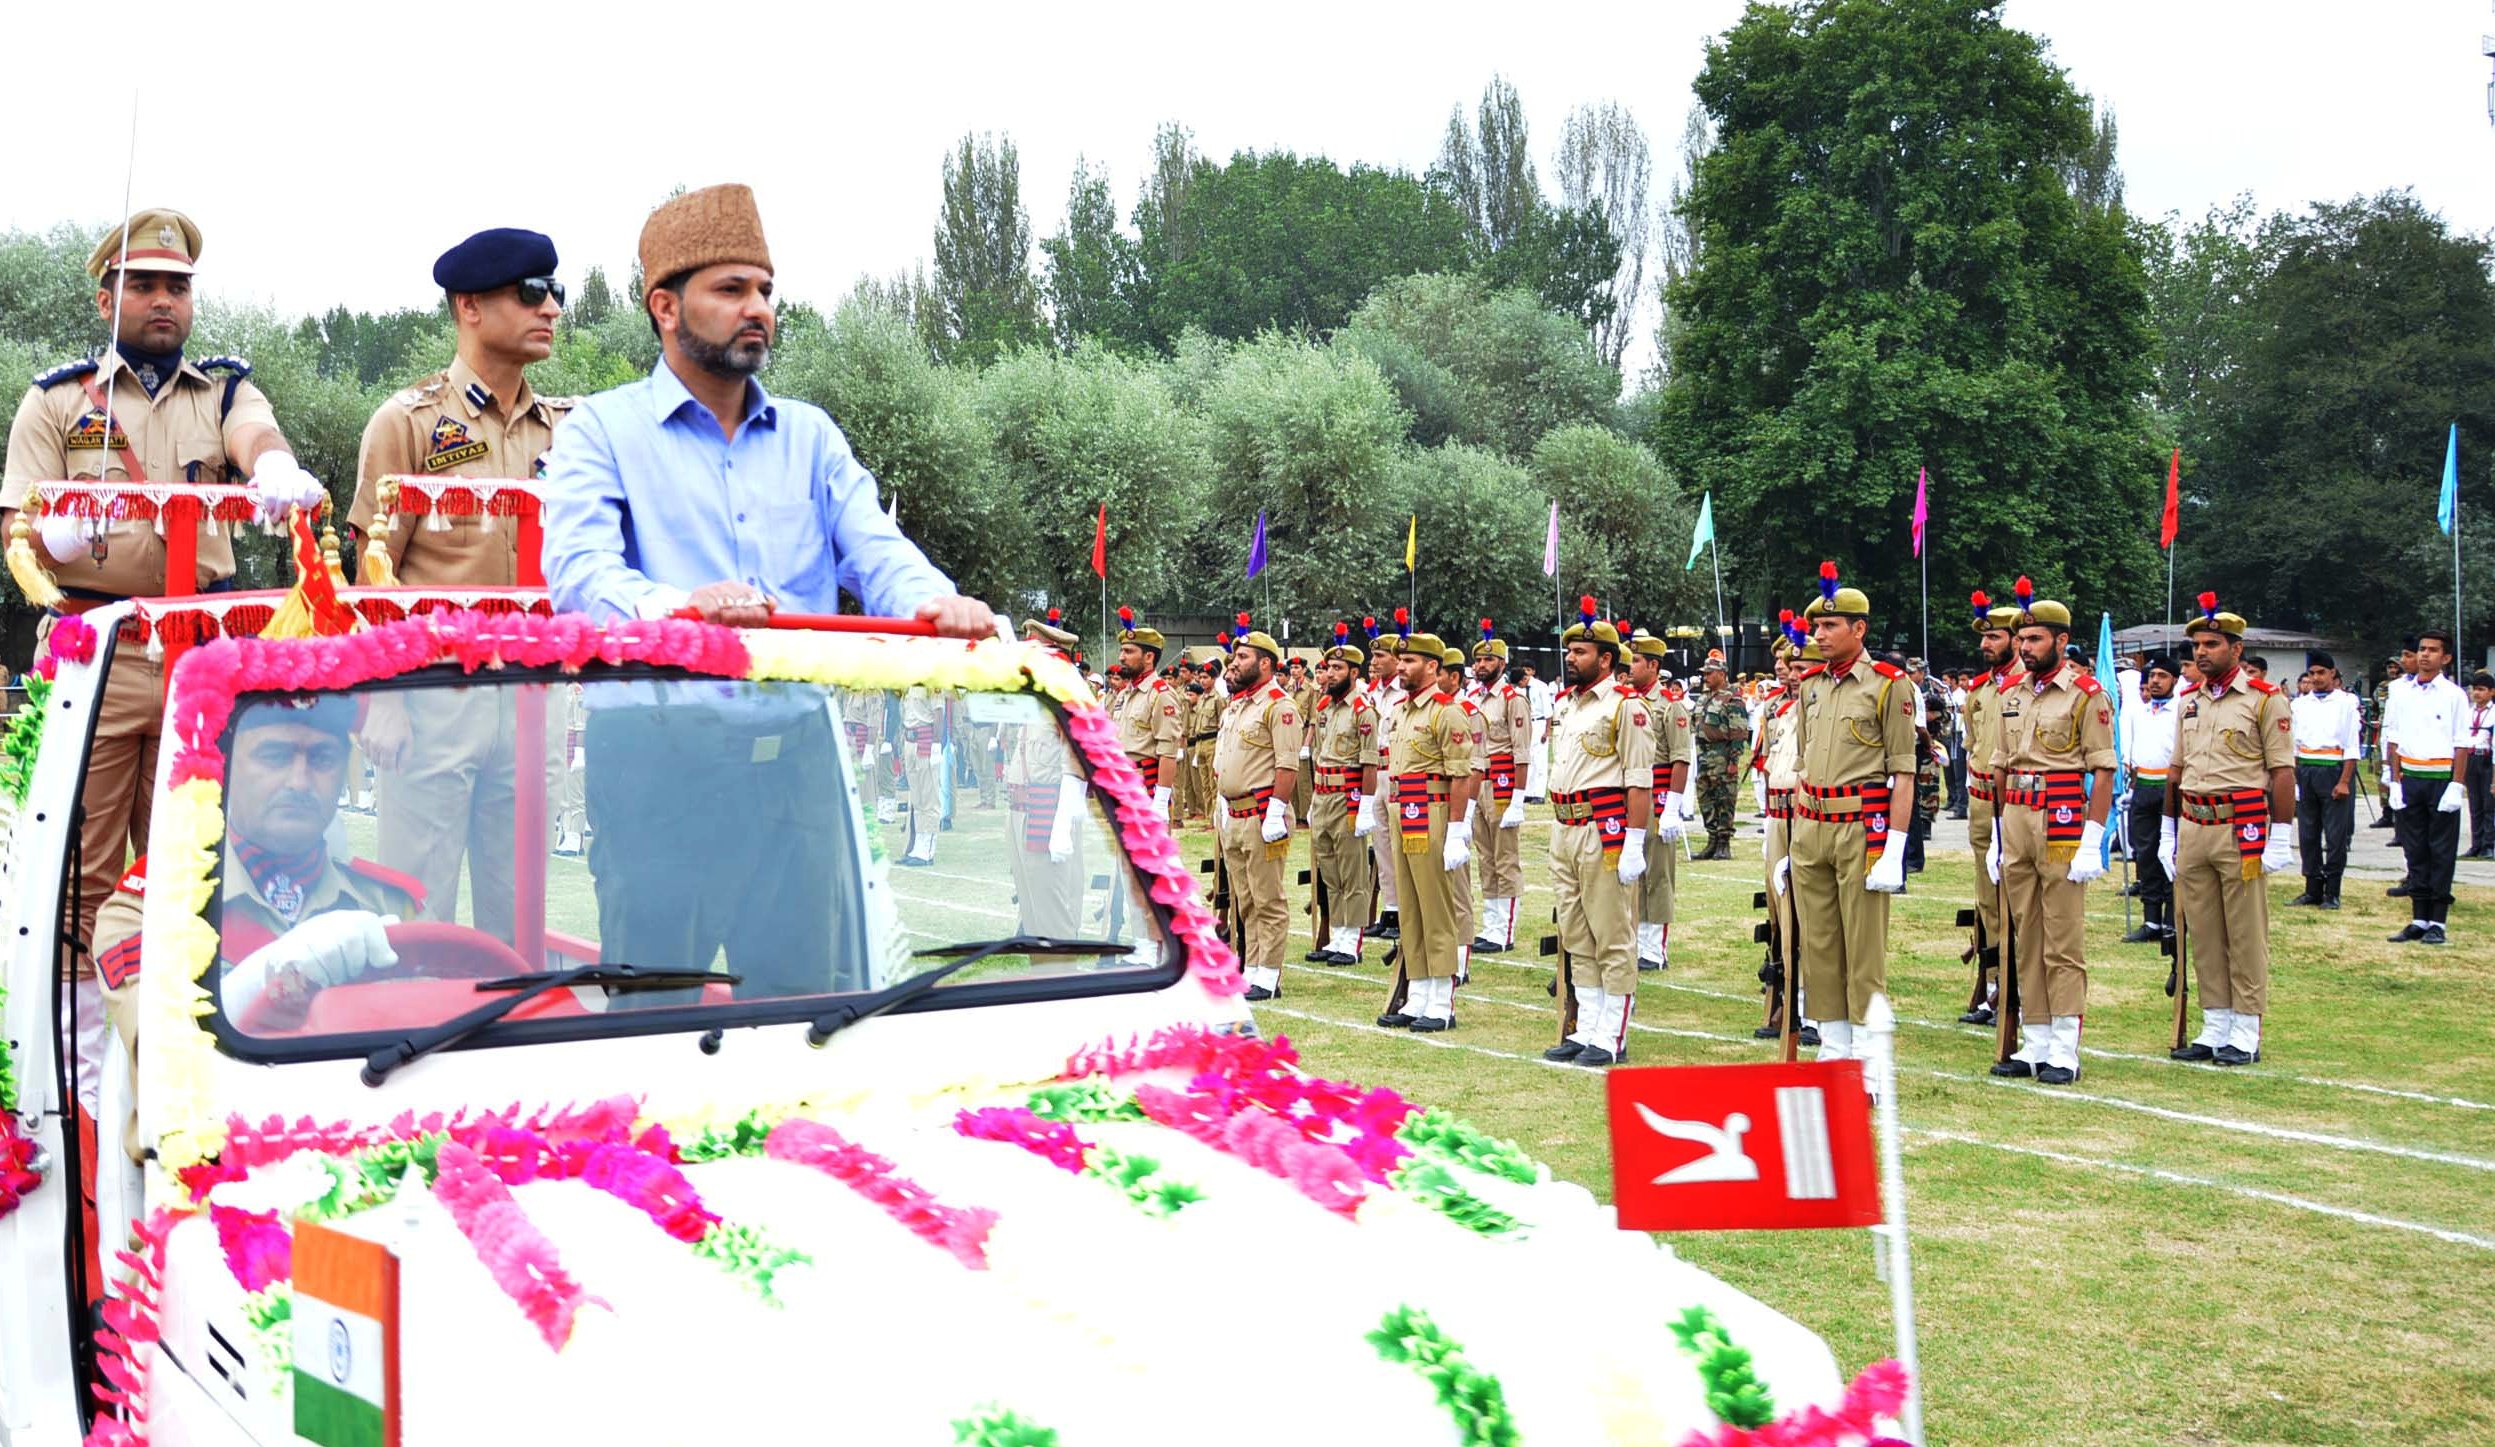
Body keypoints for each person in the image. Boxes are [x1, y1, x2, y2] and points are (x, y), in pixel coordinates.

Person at [2, 206, 324, 1112]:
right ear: (106, 295)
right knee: (84, 870)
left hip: (196, 655)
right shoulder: (58, 400)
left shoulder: (222, 392)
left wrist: (271, 468)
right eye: (142, 284)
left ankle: (186, 1057)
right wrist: (52, 532)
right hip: (96, 654)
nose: (160, 301)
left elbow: (257, 436)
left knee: (192, 863)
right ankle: (84, 1073)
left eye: (176, 286)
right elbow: (14, 529)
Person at [541, 184, 990, 636]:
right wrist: (682, 609)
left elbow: (878, 551)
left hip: (800, 707)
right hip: (659, 706)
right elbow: (580, 575)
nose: (757, 309)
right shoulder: (601, 430)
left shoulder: (810, 436)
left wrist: (936, 602)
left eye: (765, 292)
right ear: (666, 308)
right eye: (731, 290)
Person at [349, 227, 575, 941]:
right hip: (434, 698)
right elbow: (372, 577)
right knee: (417, 918)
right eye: (531, 293)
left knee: (521, 923)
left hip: (535, 697)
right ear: (469, 306)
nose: (552, 309)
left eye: (555, 292)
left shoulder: (567, 431)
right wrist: (382, 700)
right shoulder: (409, 422)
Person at [94, 696, 421, 1046]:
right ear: (227, 765)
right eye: (275, 756)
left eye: (322, 758)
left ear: (344, 770)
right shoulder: (154, 906)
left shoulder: (387, 903)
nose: (299, 781)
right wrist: (264, 974)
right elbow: (162, 1049)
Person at [1987, 581, 2116, 1085]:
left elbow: (2103, 769)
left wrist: (2093, 837)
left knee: (2062, 937)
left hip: (2062, 817)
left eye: (2036, 640)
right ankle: (2034, 1040)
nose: (2025, 648)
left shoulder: (2087, 695)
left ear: (2062, 642)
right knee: (2026, 934)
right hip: (2016, 814)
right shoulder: (2010, 693)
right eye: (2022, 640)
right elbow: (1999, 762)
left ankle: (2064, 1046)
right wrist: (1998, 833)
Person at [1787, 568, 1917, 1063]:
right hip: (1812, 823)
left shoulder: (1888, 686)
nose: (1818, 635)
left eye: (1829, 626)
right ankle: (1835, 1044)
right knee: (1818, 942)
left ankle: (1866, 1052)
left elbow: (1903, 772)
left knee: (1863, 946)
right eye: (1816, 627)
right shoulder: (1810, 685)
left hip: (1861, 828)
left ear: (1858, 629)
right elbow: (1802, 762)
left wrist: (1896, 851)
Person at [2161, 597, 2294, 1065]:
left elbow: (2281, 772)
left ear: (2236, 649)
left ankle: (2246, 1027)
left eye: (2212, 644)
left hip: (2242, 824)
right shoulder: (2187, 701)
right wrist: (2167, 829)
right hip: (2194, 822)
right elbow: (2175, 769)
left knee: (2244, 931)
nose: (2201, 653)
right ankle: (2215, 1020)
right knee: (2202, 929)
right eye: (2197, 645)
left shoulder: (2263, 699)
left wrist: (2281, 834)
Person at [1541, 603, 1655, 1066]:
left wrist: (1633, 841)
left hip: (1601, 827)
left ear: (1606, 659)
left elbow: (1639, 779)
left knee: (1610, 932)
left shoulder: (1626, 707)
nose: (1570, 658)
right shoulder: (1568, 705)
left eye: (1580, 651)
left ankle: (1612, 1032)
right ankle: (1586, 1025)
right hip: (1565, 826)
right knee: (1575, 931)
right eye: (1569, 650)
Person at [1213, 620, 1303, 1000]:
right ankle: (1252, 964)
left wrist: (1276, 810)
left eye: (1243, 656)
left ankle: (1269, 972)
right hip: (1233, 814)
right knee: (1244, 898)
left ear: (1265, 664)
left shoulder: (1279, 707)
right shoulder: (1237, 706)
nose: (1235, 663)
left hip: (1262, 812)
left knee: (1268, 897)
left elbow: (1287, 764)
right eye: (1235, 655)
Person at [2382, 629, 2471, 946]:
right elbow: (2393, 738)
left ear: (2445, 657)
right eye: (2421, 649)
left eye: (2433, 650)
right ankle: (2419, 917)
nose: (2424, 655)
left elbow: (2462, 743)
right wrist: (2393, 779)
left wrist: (2456, 784)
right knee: (2414, 849)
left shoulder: (2453, 695)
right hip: (2410, 777)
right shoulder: (2401, 693)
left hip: (2439, 778)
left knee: (2440, 851)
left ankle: (2438, 921)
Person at [1958, 593, 2023, 1023]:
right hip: (1982, 801)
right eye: (1983, 637)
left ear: (2017, 641)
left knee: (2018, 898)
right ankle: (1996, 985)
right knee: (1987, 900)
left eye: (1995, 637)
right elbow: (1971, 747)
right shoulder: (1979, 691)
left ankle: (2022, 989)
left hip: (2018, 803)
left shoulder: (2028, 685)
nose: (1986, 645)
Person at [1005, 617, 1090, 939]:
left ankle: (1059, 949)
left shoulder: (1067, 695)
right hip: (1022, 804)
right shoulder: (1035, 696)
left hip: (1048, 805)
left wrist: (1063, 823)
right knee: (1028, 883)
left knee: (1054, 888)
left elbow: (1075, 759)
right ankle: (1034, 933)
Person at [1304, 628, 1380, 964]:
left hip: (1348, 797)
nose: (1331, 673)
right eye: (1328, 667)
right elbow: (1320, 756)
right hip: (1323, 795)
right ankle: (1337, 933)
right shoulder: (1324, 708)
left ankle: (1352, 938)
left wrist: (1364, 806)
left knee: (1352, 871)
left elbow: (1369, 762)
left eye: (1338, 668)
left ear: (1353, 672)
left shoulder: (1363, 709)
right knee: (1329, 870)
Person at [1627, 632, 1694, 970]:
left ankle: (1654, 947)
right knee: (1632, 869)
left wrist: (1672, 808)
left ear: (1653, 666)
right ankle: (1636, 940)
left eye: (1636, 661)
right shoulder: (1627, 701)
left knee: (1658, 873)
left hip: (1659, 790)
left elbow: (1681, 758)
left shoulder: (1670, 705)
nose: (1630, 666)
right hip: (1631, 790)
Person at [1466, 623, 1533, 953]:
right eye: (1478, 661)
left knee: (1505, 857)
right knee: (1485, 856)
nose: (1481, 666)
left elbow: (1522, 752)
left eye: (1488, 661)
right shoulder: (1473, 699)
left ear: (1503, 664)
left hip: (1504, 782)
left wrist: (1519, 798)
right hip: (1478, 781)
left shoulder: (1512, 699)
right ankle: (1491, 923)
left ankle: (1504, 929)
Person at [2289, 654, 2364, 905]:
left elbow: (2351, 746)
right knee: (2308, 832)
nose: (2316, 678)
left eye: (2322, 672)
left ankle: (2332, 891)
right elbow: (2295, 745)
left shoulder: (2346, 702)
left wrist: (2344, 781)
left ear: (2333, 673)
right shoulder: (2300, 704)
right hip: (2307, 769)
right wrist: (2295, 779)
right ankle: (2312, 887)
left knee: (2335, 835)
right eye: (2312, 673)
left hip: (2333, 767)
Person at [2119, 654, 2182, 943]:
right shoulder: (2140, 712)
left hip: (2171, 788)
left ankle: (2173, 919)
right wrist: (2131, 786)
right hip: (2144, 786)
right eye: (2152, 676)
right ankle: (2152, 920)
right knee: (2145, 853)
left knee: (2169, 853)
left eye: (2162, 676)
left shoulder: (2181, 711)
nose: (2155, 681)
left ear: (2175, 680)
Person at [1106, 608, 1185, 823]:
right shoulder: (1125, 694)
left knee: (1146, 855)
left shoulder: (1161, 695)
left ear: (1148, 657)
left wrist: (1160, 800)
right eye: (1122, 651)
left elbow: (1168, 751)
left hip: (1146, 787)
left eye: (1129, 652)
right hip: (1124, 785)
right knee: (1123, 855)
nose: (1121, 657)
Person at [1364, 623, 1409, 941]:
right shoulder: (1371, 692)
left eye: (1380, 656)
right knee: (1381, 845)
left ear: (1397, 659)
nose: (1374, 661)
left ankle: (1407, 910)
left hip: (1397, 772)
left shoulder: (1405, 692)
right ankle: (1390, 908)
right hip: (1375, 773)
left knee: (1401, 844)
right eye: (1373, 656)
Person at [1691, 656, 1747, 859]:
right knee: (1705, 798)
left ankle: (1724, 843)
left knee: (1724, 799)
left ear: (1722, 674)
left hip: (1722, 756)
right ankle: (1712, 839)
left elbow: (1739, 731)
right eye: (1704, 673)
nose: (1705, 677)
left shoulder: (1732, 697)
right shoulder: (1704, 697)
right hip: (1703, 756)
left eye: (1709, 673)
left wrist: (1734, 761)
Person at [896, 686, 944, 865]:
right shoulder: (909, 683)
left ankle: (927, 851)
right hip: (910, 741)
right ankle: (917, 846)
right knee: (916, 799)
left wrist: (936, 744)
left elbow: (938, 713)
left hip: (925, 740)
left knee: (928, 797)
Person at [2465, 672, 2495, 859]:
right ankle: (2475, 844)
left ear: (2492, 692)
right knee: (2474, 804)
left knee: (2489, 804)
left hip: (2487, 759)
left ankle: (2488, 844)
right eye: (2474, 689)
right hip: (2470, 759)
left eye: (2481, 690)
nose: (2477, 693)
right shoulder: (2468, 713)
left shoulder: (2493, 714)